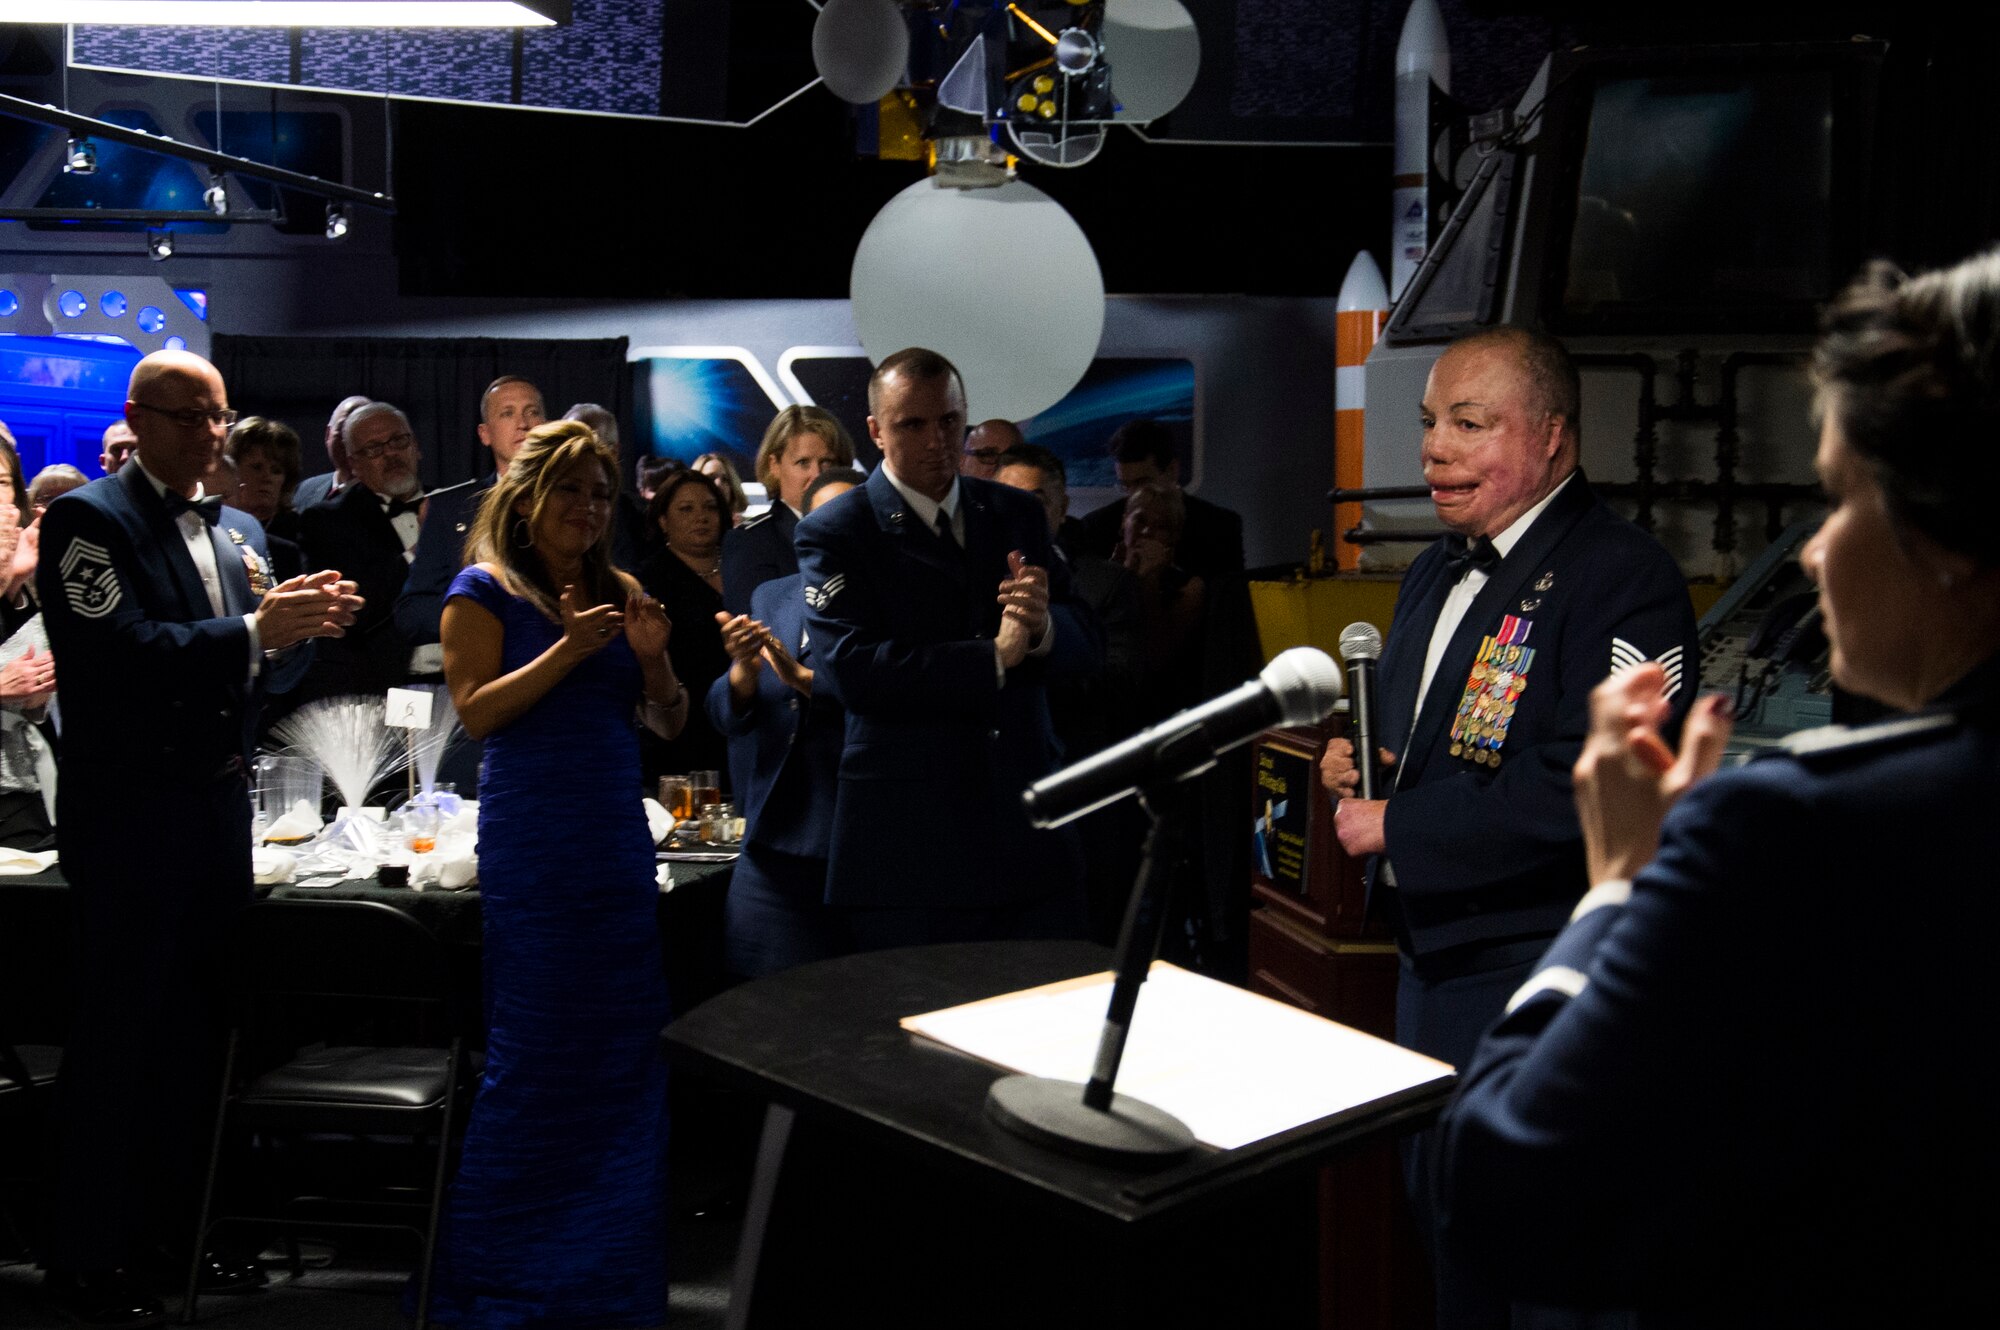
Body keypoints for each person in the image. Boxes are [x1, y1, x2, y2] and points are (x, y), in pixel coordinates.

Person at [1435, 252, 2000, 1325]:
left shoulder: (1785, 829)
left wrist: (1618, 885)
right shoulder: (1436, 574)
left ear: (1950, 535)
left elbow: (1505, 1186)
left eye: (1838, 498)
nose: (1812, 554)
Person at [1317, 326, 1699, 1328]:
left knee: (1545, 1273)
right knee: (1450, 1247)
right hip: (1427, 965)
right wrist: (1364, 764)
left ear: (1552, 438)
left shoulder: (1620, 577)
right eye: (1430, 423)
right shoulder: (1432, 575)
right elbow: (1426, 749)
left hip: (1536, 972)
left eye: (1468, 424)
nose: (1433, 450)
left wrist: (1401, 824)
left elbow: (1593, 777)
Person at [36, 349, 361, 1327]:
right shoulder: (86, 519)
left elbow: (242, 676)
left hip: (216, 812)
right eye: (189, 420)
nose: (211, 438)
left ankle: (179, 1234)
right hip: (130, 816)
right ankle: (87, 1256)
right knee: (117, 1041)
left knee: (198, 1040)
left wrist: (293, 636)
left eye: (220, 419)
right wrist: (260, 632)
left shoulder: (235, 534)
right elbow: (116, 655)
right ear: (136, 419)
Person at [424, 419, 681, 1328]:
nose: (587, 508)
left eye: (601, 495)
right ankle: (512, 1278)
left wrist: (653, 665)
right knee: (538, 1056)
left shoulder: (621, 589)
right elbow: (478, 714)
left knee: (620, 1055)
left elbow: (668, 722)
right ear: (529, 495)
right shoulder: (480, 591)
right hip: (536, 843)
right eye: (571, 490)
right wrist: (568, 648)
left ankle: (609, 1277)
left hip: (613, 839)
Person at [796, 347, 1093, 950]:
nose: (937, 441)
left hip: (1027, 831)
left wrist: (1041, 631)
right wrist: (993, 657)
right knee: (911, 1035)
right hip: (908, 847)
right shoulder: (837, 530)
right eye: (914, 425)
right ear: (876, 431)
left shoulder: (1014, 513)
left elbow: (1087, 641)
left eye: (950, 422)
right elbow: (855, 673)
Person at [708, 466, 865, 977]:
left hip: (861, 842)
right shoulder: (772, 597)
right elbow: (728, 713)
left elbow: (897, 690)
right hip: (773, 846)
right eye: (821, 522)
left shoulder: (898, 601)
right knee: (758, 1018)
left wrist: (804, 679)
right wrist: (741, 676)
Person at [395, 375, 547, 659]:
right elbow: (412, 612)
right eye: (507, 413)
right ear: (484, 433)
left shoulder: (582, 500)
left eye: (532, 412)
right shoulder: (450, 508)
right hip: (479, 677)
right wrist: (476, 615)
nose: (523, 423)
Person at [298, 401, 429, 696]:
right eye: (373, 449)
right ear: (354, 464)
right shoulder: (326, 521)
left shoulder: (452, 506)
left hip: (462, 681)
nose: (390, 454)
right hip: (381, 687)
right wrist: (419, 550)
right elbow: (354, 607)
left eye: (398, 441)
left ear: (416, 446)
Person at [636, 467, 732, 783]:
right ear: (663, 520)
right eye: (686, 509)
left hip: (742, 723)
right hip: (680, 729)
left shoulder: (744, 564)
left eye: (710, 507)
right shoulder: (647, 580)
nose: (701, 517)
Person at [721, 404, 855, 614]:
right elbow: (758, 628)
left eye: (827, 462)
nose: (817, 474)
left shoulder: (864, 530)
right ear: (774, 465)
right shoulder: (750, 542)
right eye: (803, 463)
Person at [1073, 417, 1244, 578]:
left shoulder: (1220, 527)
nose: (1133, 494)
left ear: (1172, 471)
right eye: (1125, 485)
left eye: (1142, 483)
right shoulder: (1096, 527)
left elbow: (1229, 602)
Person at [223, 416, 305, 580]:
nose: (267, 478)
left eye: (276, 470)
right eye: (257, 467)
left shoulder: (300, 531)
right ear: (233, 469)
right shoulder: (217, 525)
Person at [291, 393, 370, 510]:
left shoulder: (389, 498)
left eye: (362, 432)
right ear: (328, 434)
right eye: (343, 429)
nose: (349, 440)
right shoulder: (304, 490)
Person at [693, 450, 750, 524]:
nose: (718, 484)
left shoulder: (746, 530)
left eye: (725, 479)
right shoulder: (682, 530)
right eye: (711, 478)